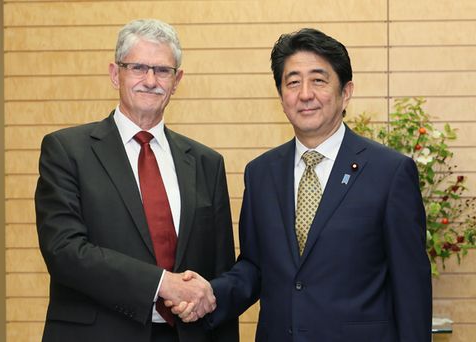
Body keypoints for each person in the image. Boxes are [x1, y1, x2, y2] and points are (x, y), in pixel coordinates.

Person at [173, 28, 432, 341]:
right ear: (282, 96)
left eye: (319, 80)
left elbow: (411, 288)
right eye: (293, 82)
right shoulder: (261, 173)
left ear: (346, 91)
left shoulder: (390, 172)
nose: (305, 93)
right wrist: (210, 294)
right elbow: (255, 267)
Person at [35, 18, 238, 342]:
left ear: (177, 80)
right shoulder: (67, 151)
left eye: (162, 70)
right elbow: (64, 251)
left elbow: (220, 272)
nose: (150, 80)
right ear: (116, 74)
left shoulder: (206, 163)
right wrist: (161, 283)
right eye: (138, 67)